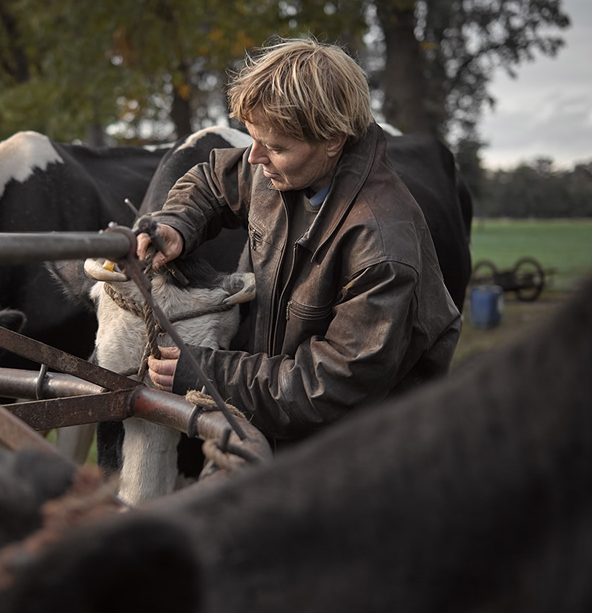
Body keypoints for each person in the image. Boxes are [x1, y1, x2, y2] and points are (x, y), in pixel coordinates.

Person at [137, 36, 461, 442]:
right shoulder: (287, 171)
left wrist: (207, 372)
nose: (254, 157)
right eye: (251, 138)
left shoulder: (380, 247)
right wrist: (176, 224)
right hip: (281, 418)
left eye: (274, 146)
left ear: (333, 139)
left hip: (362, 450)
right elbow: (212, 182)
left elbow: (330, 387)